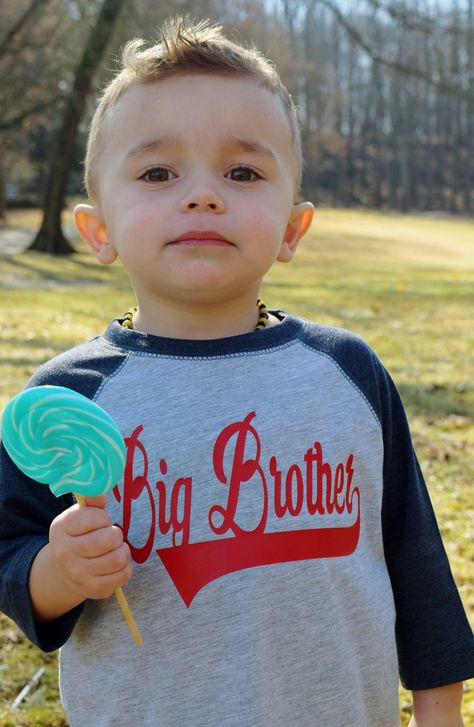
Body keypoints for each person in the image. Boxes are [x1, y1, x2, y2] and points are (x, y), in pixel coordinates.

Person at [0, 16, 472, 727]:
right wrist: (58, 573)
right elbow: (13, 564)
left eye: (243, 171)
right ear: (97, 230)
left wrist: (441, 715)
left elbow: (421, 577)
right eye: (158, 171)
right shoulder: (70, 401)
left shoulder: (349, 374)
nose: (203, 194)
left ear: (291, 228)